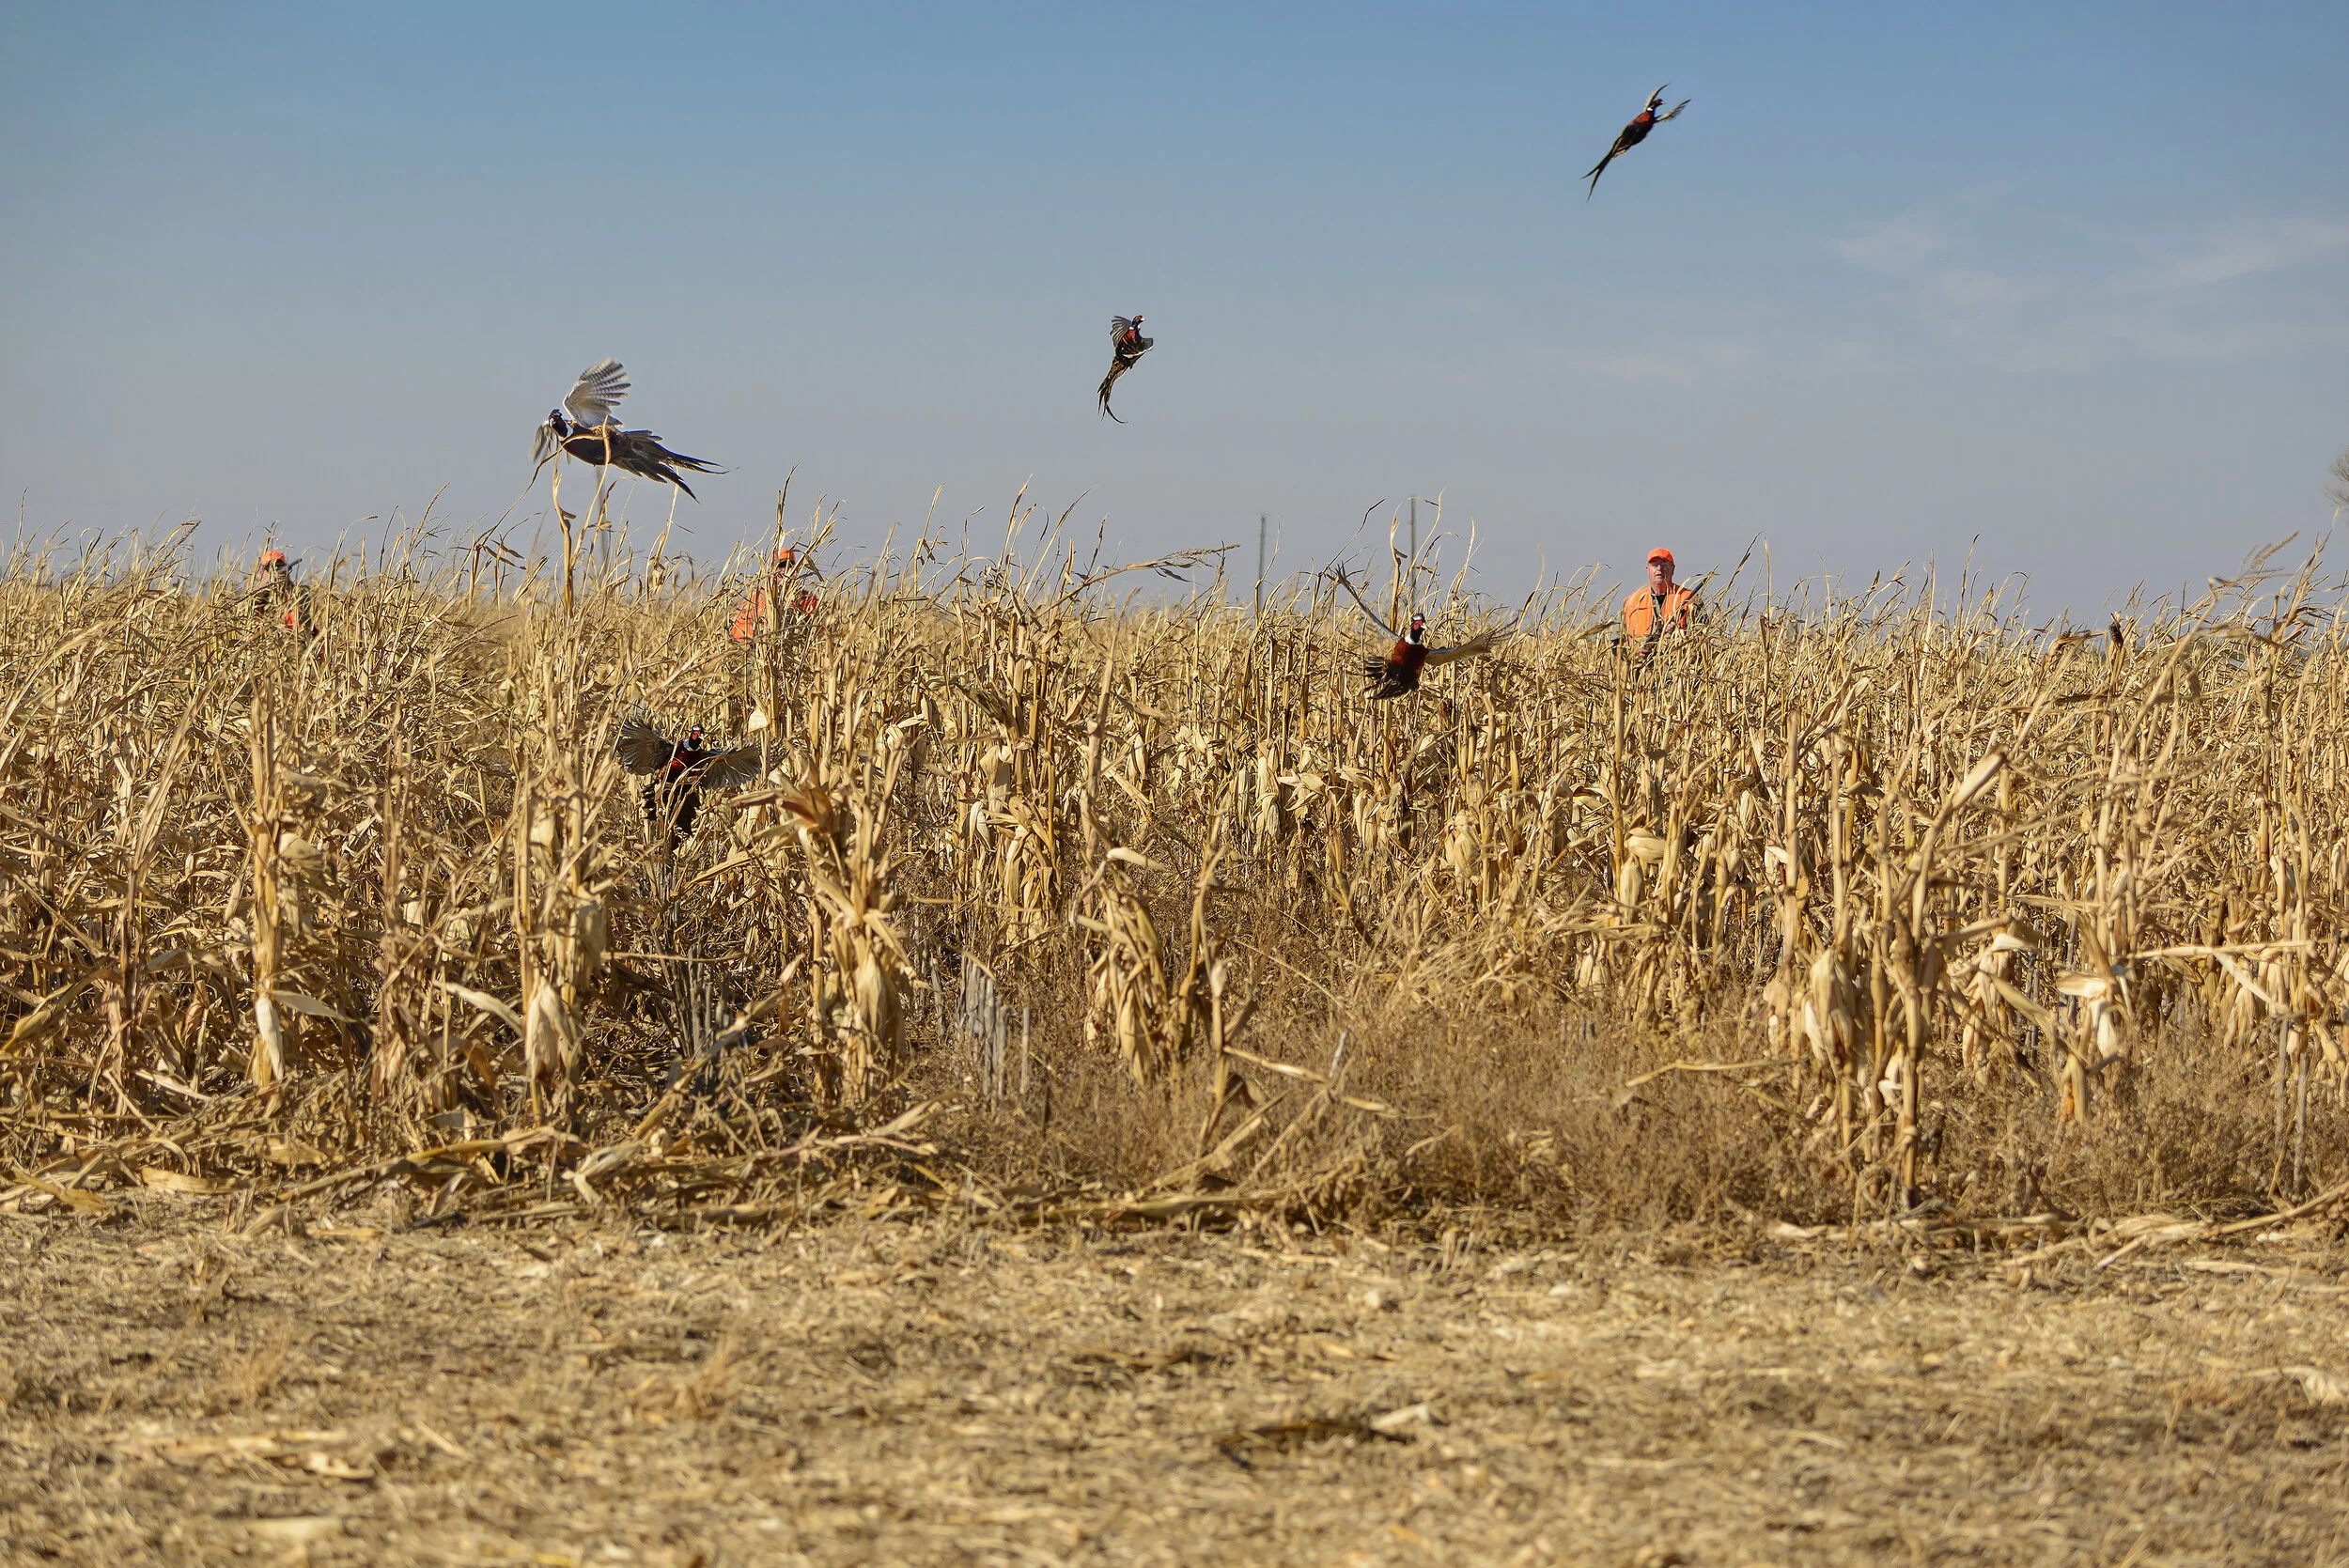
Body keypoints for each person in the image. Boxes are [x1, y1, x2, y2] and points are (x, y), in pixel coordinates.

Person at [728, 546, 819, 644]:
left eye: (789, 564)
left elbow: (821, 630)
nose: (784, 569)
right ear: (772, 568)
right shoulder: (757, 597)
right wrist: (762, 635)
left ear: (796, 568)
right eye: (780, 564)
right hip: (764, 652)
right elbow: (739, 629)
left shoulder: (808, 599)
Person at [1619, 547, 1696, 661]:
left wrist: (1678, 634)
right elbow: (1616, 644)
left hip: (1676, 673)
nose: (1659, 569)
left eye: (1664, 565)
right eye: (1655, 565)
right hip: (1639, 673)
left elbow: (1701, 637)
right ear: (1648, 569)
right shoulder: (1631, 602)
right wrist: (1634, 653)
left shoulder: (1689, 598)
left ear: (1672, 569)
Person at [254, 549, 315, 639]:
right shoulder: (258, 597)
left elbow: (305, 618)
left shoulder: (297, 593)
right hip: (265, 644)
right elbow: (247, 611)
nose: (277, 572)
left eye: (280, 567)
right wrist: (265, 586)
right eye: (272, 568)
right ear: (263, 571)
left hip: (294, 643)